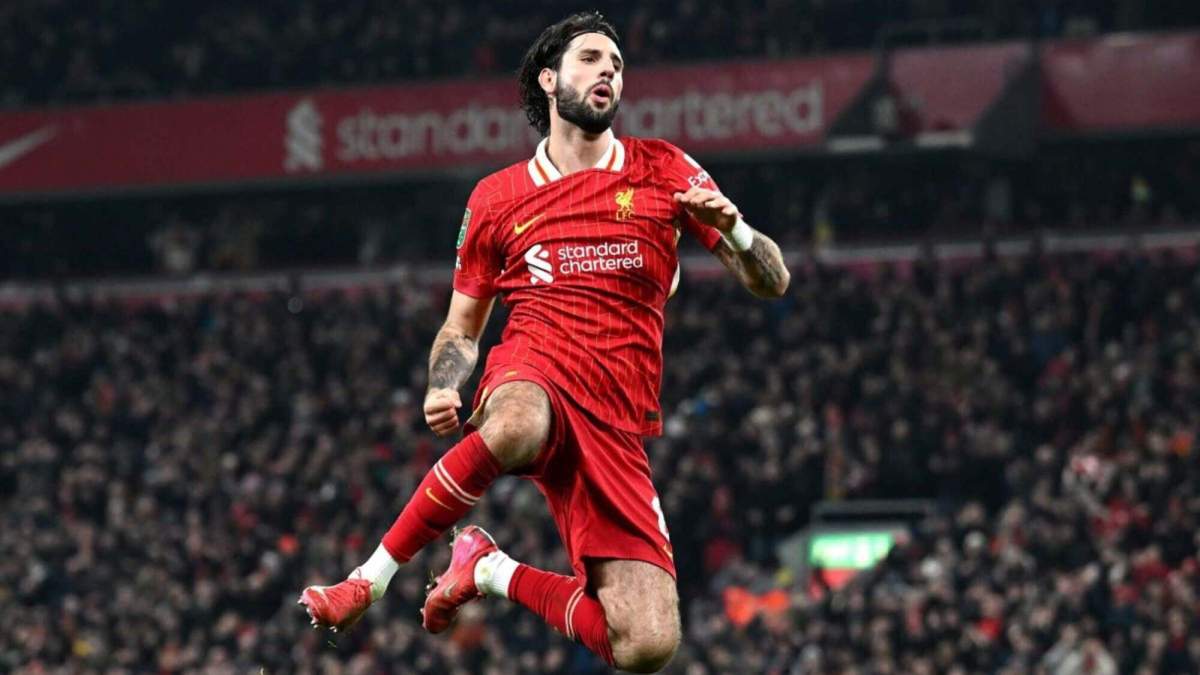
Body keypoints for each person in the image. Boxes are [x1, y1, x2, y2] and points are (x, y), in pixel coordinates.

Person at [298, 11, 790, 673]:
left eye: (617, 65)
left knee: (646, 643)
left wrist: (732, 231)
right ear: (550, 77)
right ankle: (368, 578)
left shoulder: (665, 170)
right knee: (520, 421)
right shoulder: (497, 198)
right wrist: (444, 381)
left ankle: (489, 567)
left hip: (616, 420)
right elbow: (461, 327)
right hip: (534, 370)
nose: (608, 73)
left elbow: (773, 280)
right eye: (592, 58)